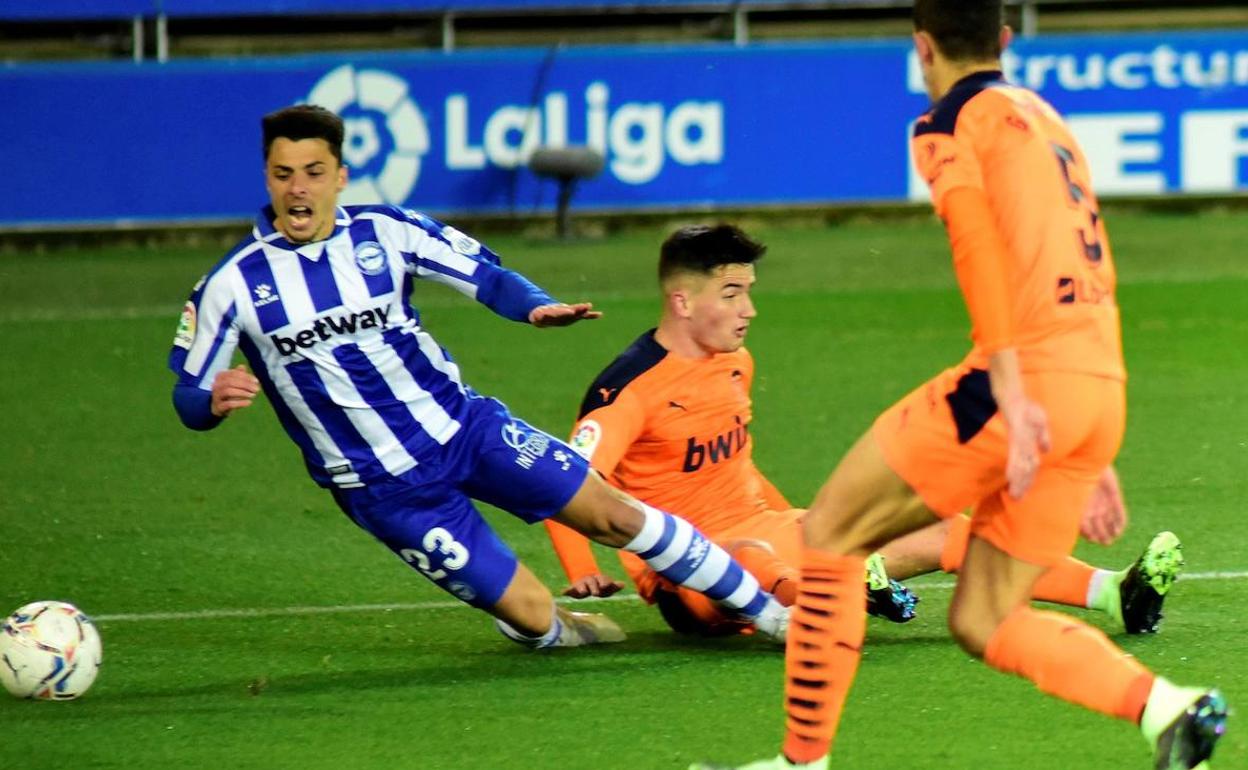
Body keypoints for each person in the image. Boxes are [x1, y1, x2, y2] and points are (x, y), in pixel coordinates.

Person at [690, 3, 1228, 769]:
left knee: (831, 531)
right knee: (984, 617)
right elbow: (1084, 266)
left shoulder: (946, 123)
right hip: (1096, 383)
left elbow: (976, 246)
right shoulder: (1045, 117)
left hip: (1021, 381)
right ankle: (1165, 709)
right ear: (1004, 41)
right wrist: (1087, 435)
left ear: (922, 46)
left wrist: (1012, 381)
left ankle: (802, 763)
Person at [167, 104, 791, 652]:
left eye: (313, 173)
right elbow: (188, 395)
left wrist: (535, 305)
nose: (298, 190)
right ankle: (550, 624)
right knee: (533, 616)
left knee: (617, 516)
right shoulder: (232, 285)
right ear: (268, 180)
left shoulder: (388, 232)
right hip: (386, 490)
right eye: (283, 175)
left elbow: (485, 276)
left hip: (468, 429)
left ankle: (775, 619)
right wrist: (213, 401)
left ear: (340, 178)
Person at [546, 224, 1184, 639]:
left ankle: (1114, 596)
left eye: (750, 291)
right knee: (750, 556)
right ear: (683, 302)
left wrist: (794, 517)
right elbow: (561, 481)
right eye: (734, 293)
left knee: (947, 528)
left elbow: (734, 465)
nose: (750, 310)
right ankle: (833, 598)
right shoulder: (628, 387)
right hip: (690, 575)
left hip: (770, 534)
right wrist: (582, 569)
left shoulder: (735, 362)